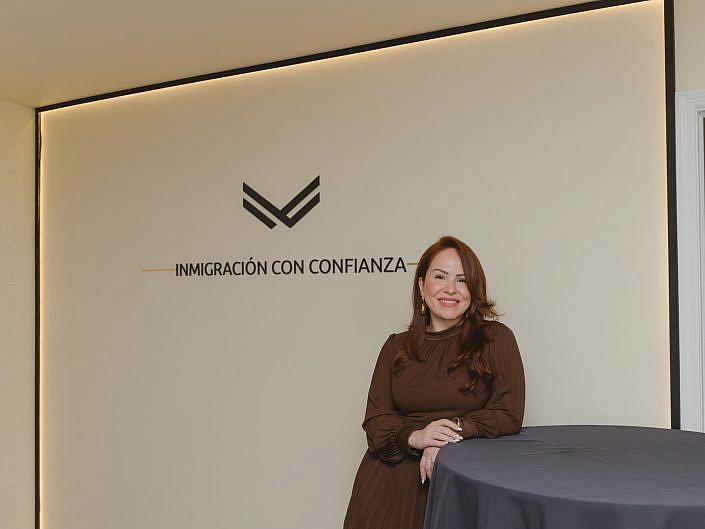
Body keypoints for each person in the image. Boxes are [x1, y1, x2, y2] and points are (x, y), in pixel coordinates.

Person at [343, 235, 525, 529]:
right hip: (389, 485)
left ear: (473, 289)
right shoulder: (395, 347)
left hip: (459, 482)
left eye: (462, 280)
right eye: (440, 277)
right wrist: (417, 437)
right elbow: (376, 422)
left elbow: (509, 413)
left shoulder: (495, 339)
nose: (450, 289)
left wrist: (447, 436)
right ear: (421, 285)